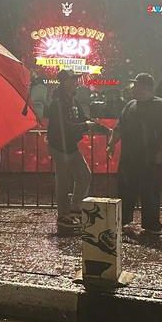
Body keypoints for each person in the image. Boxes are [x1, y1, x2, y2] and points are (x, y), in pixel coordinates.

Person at [107, 73, 162, 234]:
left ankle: (151, 224)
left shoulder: (161, 106)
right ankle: (123, 220)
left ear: (146, 87)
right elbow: (119, 127)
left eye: (136, 85)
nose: (133, 89)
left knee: (150, 192)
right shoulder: (130, 105)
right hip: (130, 159)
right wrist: (111, 144)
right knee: (125, 190)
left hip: (151, 159)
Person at [45, 70, 103, 231]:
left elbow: (82, 118)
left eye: (76, 79)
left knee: (84, 175)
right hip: (59, 146)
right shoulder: (58, 102)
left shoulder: (72, 100)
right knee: (63, 181)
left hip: (69, 145)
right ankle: (63, 215)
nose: (76, 82)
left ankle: (75, 209)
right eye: (73, 79)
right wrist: (86, 126)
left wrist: (101, 128)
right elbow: (65, 126)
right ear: (64, 82)